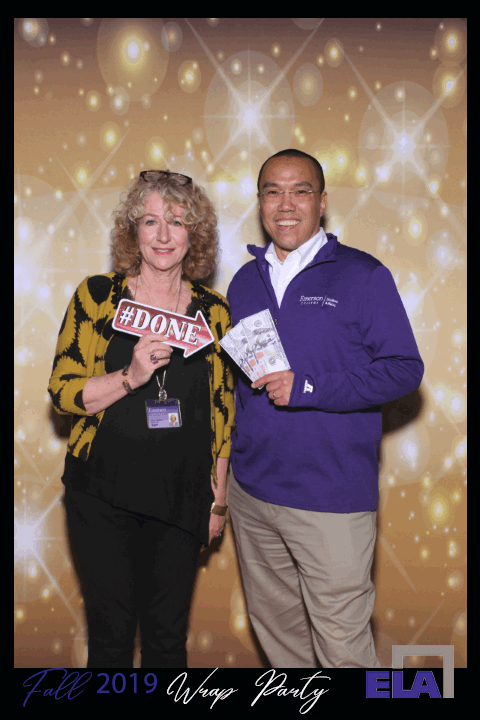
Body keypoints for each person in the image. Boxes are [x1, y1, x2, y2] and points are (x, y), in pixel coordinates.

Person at [226, 149, 424, 668]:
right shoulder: (243, 282)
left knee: (343, 649)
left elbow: (404, 369)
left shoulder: (363, 275)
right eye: (273, 191)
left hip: (331, 499)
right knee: (280, 639)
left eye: (301, 191)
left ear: (322, 202)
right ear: (260, 202)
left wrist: (310, 387)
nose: (286, 204)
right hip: (252, 494)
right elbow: (240, 384)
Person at [48, 169, 234, 668]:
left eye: (177, 221)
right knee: (110, 642)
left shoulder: (215, 312)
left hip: (181, 497)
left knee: (167, 643)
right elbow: (62, 392)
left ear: (195, 233)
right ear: (133, 231)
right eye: (150, 221)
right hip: (101, 495)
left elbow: (223, 408)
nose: (163, 235)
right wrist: (128, 376)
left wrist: (218, 500)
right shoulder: (97, 297)